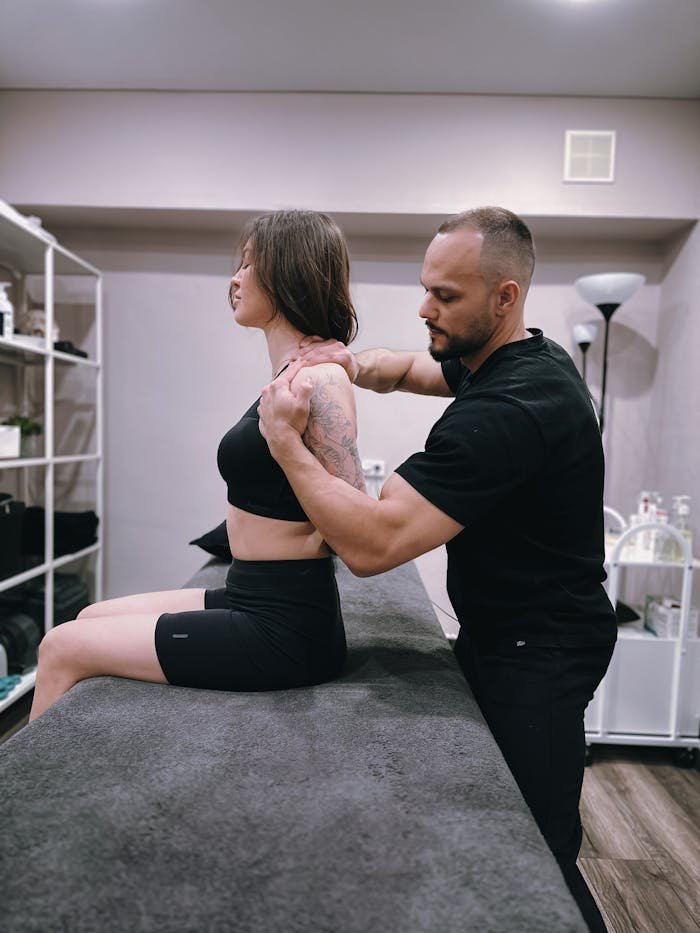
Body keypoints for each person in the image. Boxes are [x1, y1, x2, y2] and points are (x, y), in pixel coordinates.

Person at [258, 206, 616, 932]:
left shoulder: (514, 406)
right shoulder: (520, 357)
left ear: (506, 296)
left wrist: (287, 444)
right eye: (427, 288)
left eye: (445, 296)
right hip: (502, 630)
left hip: (541, 649)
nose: (425, 307)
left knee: (531, 854)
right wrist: (344, 362)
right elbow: (412, 368)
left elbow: (372, 545)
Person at [29, 209, 365, 722]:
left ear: (287, 272)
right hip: (247, 593)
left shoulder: (320, 381)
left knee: (60, 646)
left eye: (249, 265)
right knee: (89, 615)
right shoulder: (290, 374)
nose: (234, 279)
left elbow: (356, 523)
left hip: (285, 627)